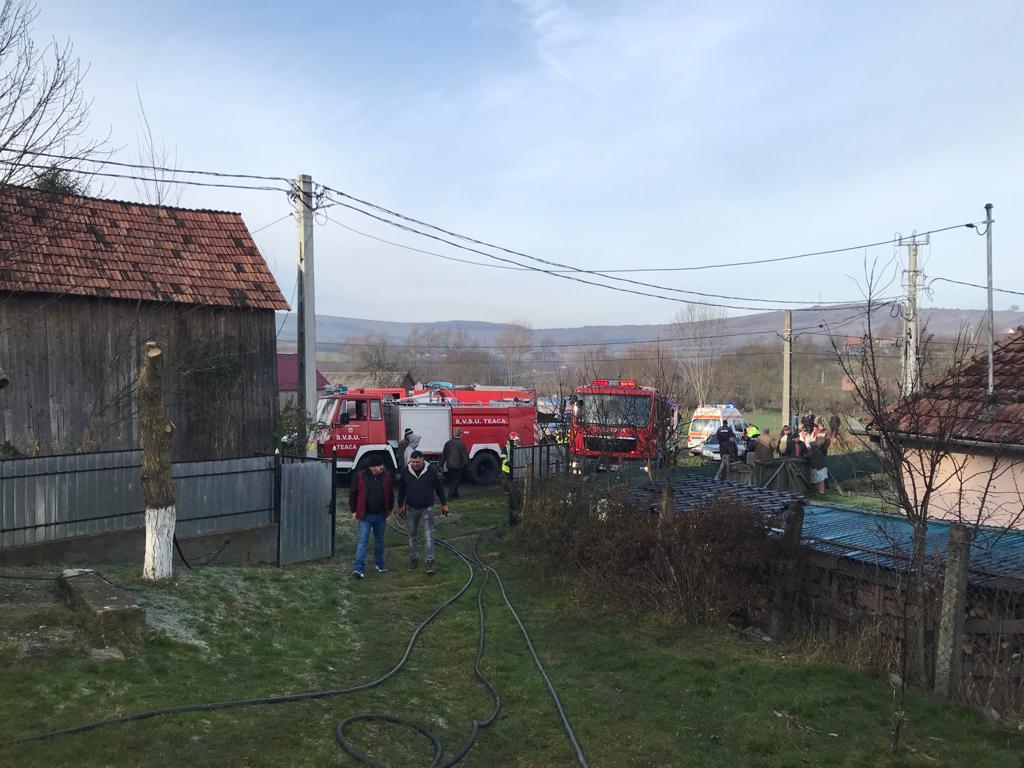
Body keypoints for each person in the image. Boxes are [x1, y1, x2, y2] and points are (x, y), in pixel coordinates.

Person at [397, 450, 448, 575]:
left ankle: (429, 561)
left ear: (422, 460)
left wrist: (444, 504)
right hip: (411, 508)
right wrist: (400, 505)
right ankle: (414, 558)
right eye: (413, 462)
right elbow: (402, 489)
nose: (415, 464)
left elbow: (439, 487)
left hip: (427, 508)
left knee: (428, 535)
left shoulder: (431, 470)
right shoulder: (405, 471)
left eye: (417, 462)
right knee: (412, 535)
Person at [348, 454, 393, 579]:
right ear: (371, 467)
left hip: (380, 515)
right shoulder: (360, 476)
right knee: (363, 541)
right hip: (365, 516)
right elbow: (353, 493)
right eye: (377, 466)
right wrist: (354, 510)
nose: (380, 468)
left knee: (379, 541)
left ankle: (380, 564)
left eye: (380, 465)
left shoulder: (386, 477)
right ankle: (359, 568)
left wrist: (389, 508)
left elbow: (390, 493)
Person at [441, 428, 469, 499]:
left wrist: (441, 465)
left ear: (454, 434)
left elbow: (443, 455)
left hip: (449, 465)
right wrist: (468, 465)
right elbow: (464, 456)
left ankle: (456, 495)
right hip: (458, 465)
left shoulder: (448, 443)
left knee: (453, 480)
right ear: (461, 434)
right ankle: (450, 495)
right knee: (455, 480)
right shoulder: (461, 444)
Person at [500, 432, 522, 525]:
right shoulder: (506, 448)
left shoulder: (518, 448)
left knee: (513, 498)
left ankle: (512, 519)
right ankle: (512, 519)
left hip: (513, 475)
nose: (517, 442)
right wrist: (509, 464)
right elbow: (502, 458)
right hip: (507, 475)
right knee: (513, 497)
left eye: (517, 441)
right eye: (515, 441)